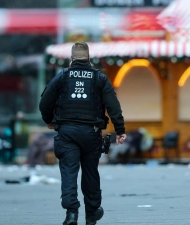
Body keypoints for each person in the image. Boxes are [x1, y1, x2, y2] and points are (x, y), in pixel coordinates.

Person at [39, 42, 127, 225]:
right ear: (88, 59)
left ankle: (71, 213)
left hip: (67, 133)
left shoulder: (62, 77)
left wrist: (49, 120)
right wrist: (120, 130)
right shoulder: (99, 78)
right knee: (90, 173)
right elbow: (113, 106)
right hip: (91, 133)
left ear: (71, 59)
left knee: (69, 172)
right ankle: (92, 213)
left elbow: (45, 102)